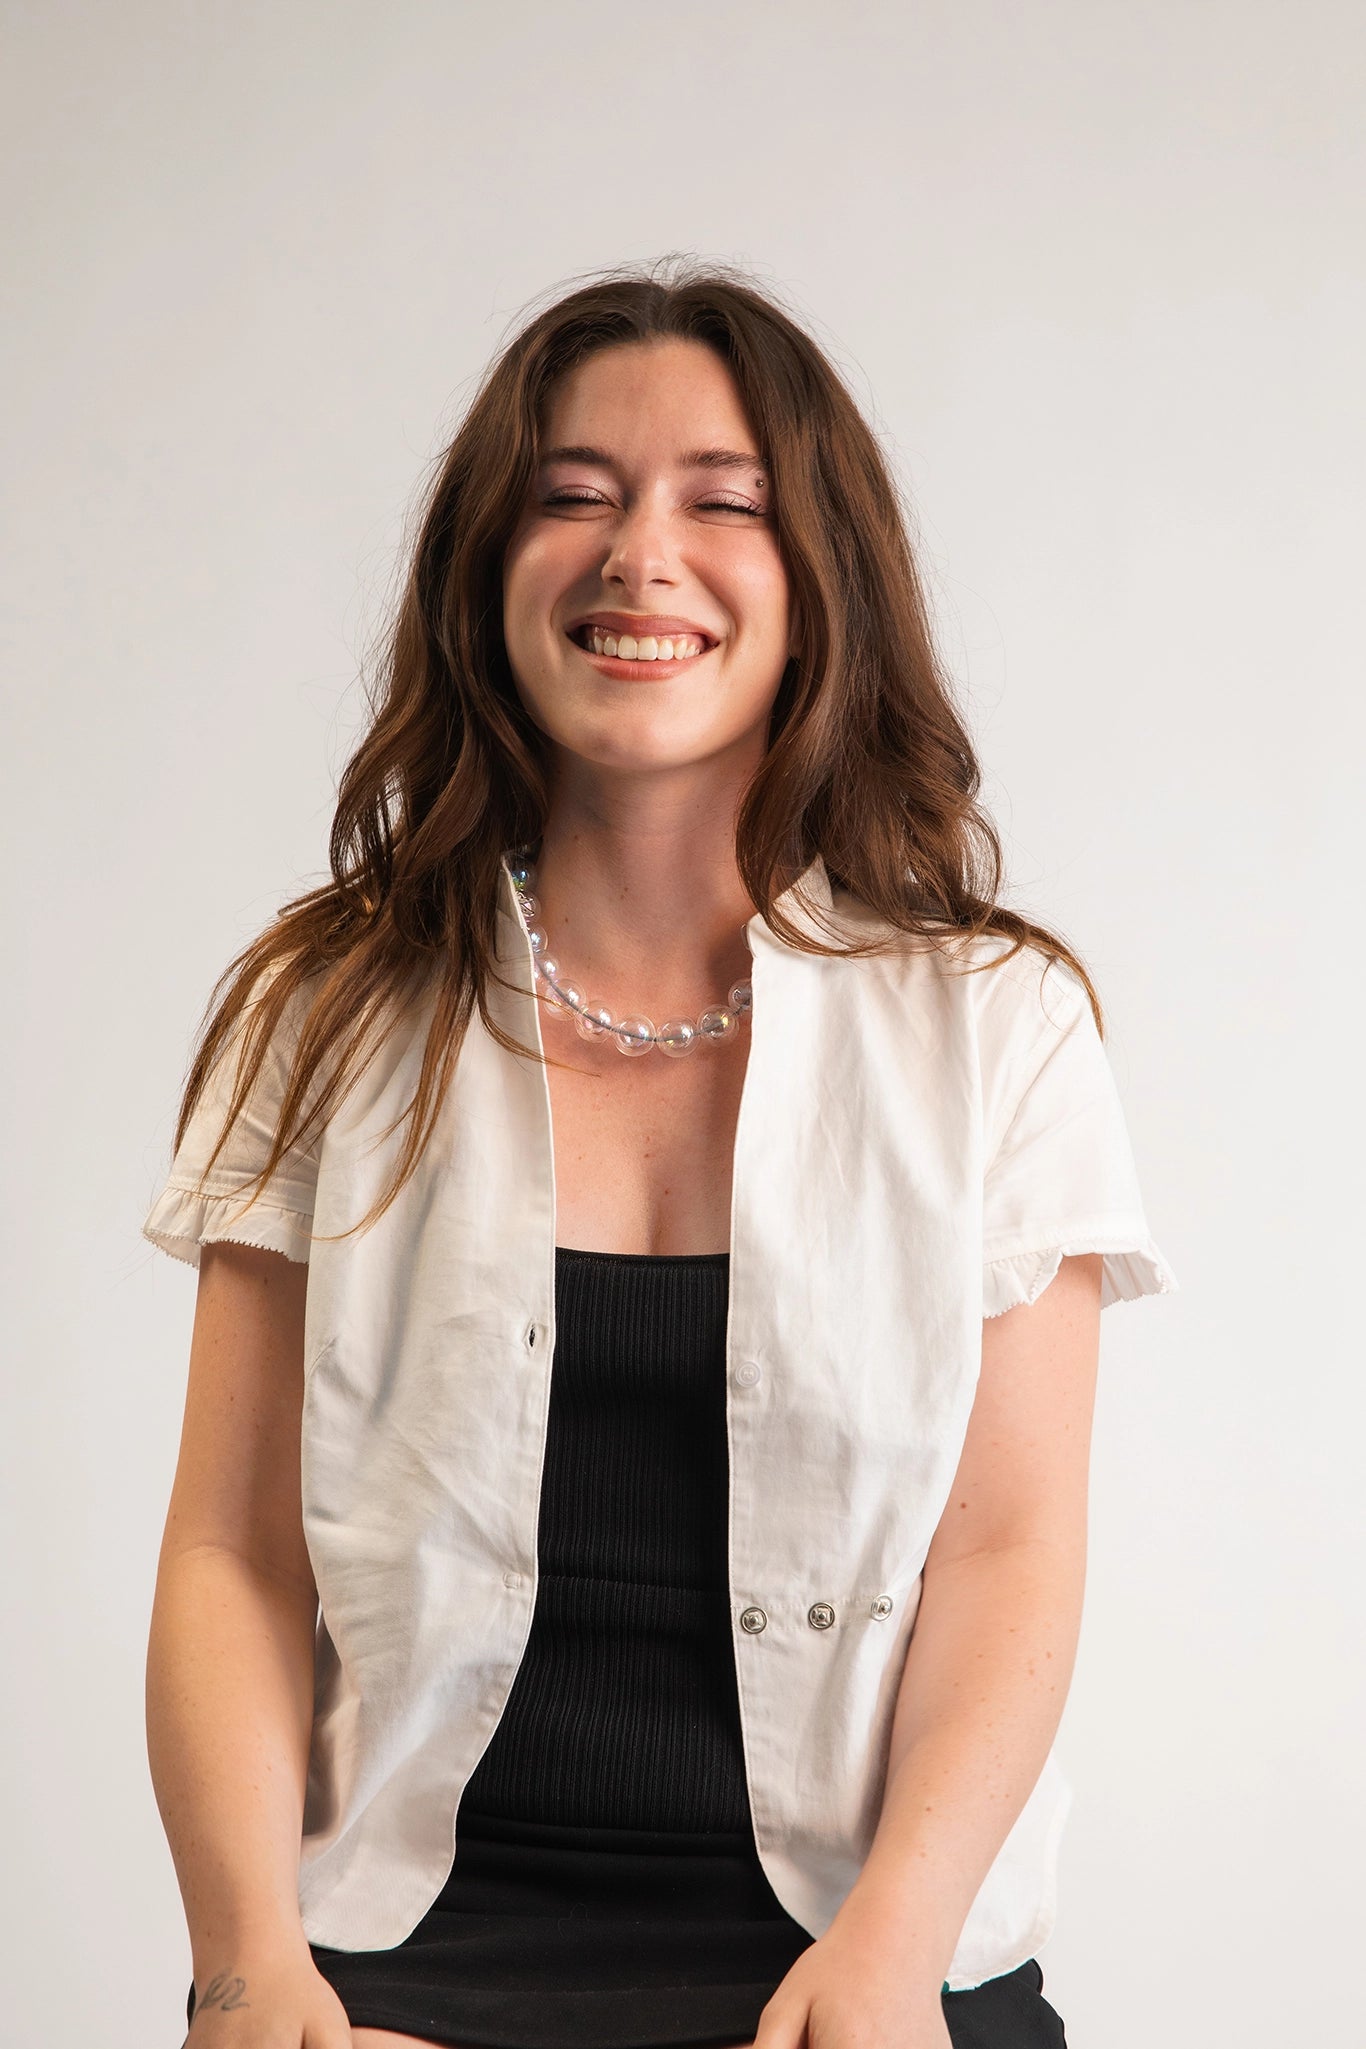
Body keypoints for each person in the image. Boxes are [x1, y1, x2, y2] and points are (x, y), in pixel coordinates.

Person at [142, 257, 1176, 2049]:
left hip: (861, 1947)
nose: (640, 555)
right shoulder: (319, 1009)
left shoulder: (997, 1027)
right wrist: (248, 1975)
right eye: (573, 498)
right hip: (388, 1961)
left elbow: (1008, 1551)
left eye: (723, 502)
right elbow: (232, 1550)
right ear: (490, 569)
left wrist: (889, 1958)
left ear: (814, 586)